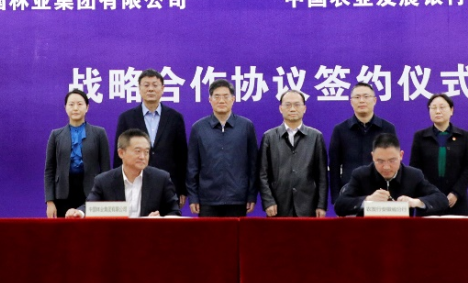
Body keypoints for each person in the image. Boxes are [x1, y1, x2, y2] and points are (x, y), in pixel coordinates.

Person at [114, 69, 188, 209]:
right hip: (134, 182)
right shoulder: (127, 118)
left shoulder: (175, 117)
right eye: (146, 85)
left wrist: (182, 189)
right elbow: (119, 155)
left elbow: (182, 156)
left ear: (162, 88)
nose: (150, 89)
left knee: (167, 221)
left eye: (155, 85)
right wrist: (118, 186)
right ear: (139, 88)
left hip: (169, 184)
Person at [65, 129, 181, 218]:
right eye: (137, 151)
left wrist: (160, 219)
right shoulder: (104, 181)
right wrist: (79, 212)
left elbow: (175, 212)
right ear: (121, 153)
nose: (143, 156)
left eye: (146, 152)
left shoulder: (161, 179)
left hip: (150, 237)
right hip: (116, 237)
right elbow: (92, 208)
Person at [186, 79, 259, 217]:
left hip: (237, 199)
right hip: (207, 199)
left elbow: (253, 164)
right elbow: (192, 166)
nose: (221, 100)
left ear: (233, 99)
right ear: (210, 100)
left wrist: (251, 195)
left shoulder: (246, 126)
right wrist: (193, 196)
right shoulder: (199, 128)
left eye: (226, 96)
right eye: (217, 96)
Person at [334, 132, 447, 217]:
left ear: (401, 155)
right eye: (380, 161)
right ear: (373, 157)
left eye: (392, 161)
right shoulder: (361, 175)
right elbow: (340, 205)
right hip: (368, 233)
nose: (386, 167)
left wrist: (415, 202)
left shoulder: (413, 176)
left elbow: (442, 200)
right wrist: (367, 200)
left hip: (402, 233)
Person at [258, 90, 328, 218]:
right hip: (278, 206)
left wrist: (321, 205)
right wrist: (268, 201)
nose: (292, 109)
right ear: (280, 108)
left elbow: (322, 175)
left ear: (304, 108)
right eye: (288, 105)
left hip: (308, 206)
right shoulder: (269, 137)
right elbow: (262, 174)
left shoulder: (315, 137)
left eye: (297, 104)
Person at [44, 89, 111, 218]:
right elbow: (49, 170)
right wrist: (50, 202)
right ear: (65, 108)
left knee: (91, 229)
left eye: (80, 104)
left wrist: (105, 197)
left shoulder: (99, 133)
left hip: (92, 192)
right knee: (63, 230)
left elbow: (106, 169)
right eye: (71, 104)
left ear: (87, 107)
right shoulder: (56, 135)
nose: (75, 108)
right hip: (62, 194)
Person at [328, 81, 397, 199]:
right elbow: (334, 167)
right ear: (351, 102)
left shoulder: (387, 128)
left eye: (366, 96)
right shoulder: (340, 130)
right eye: (357, 97)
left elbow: (394, 163)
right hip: (350, 194)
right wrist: (337, 199)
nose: (361, 100)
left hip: (381, 193)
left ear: (374, 100)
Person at [409, 93, 468, 216]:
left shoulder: (464, 136)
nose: (437, 111)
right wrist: (430, 194)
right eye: (433, 108)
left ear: (451, 110)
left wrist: (456, 193)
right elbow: (415, 168)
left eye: (442, 107)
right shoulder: (420, 137)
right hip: (428, 199)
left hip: (456, 201)